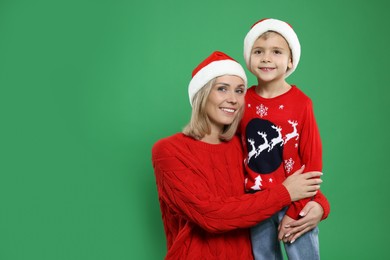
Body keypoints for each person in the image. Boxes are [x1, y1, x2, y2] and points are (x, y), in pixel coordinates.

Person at [151, 50, 324, 259]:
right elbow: (211, 216)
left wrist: (320, 206)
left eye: (240, 90)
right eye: (222, 89)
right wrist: (284, 194)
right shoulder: (168, 150)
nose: (232, 99)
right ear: (202, 93)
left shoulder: (243, 145)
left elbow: (282, 179)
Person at [240, 18, 331, 259]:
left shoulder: (301, 103)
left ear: (290, 60)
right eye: (258, 51)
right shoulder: (242, 102)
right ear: (249, 59)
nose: (266, 58)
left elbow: (313, 161)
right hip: (257, 201)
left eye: (276, 52)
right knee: (263, 256)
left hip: (295, 200)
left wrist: (298, 208)